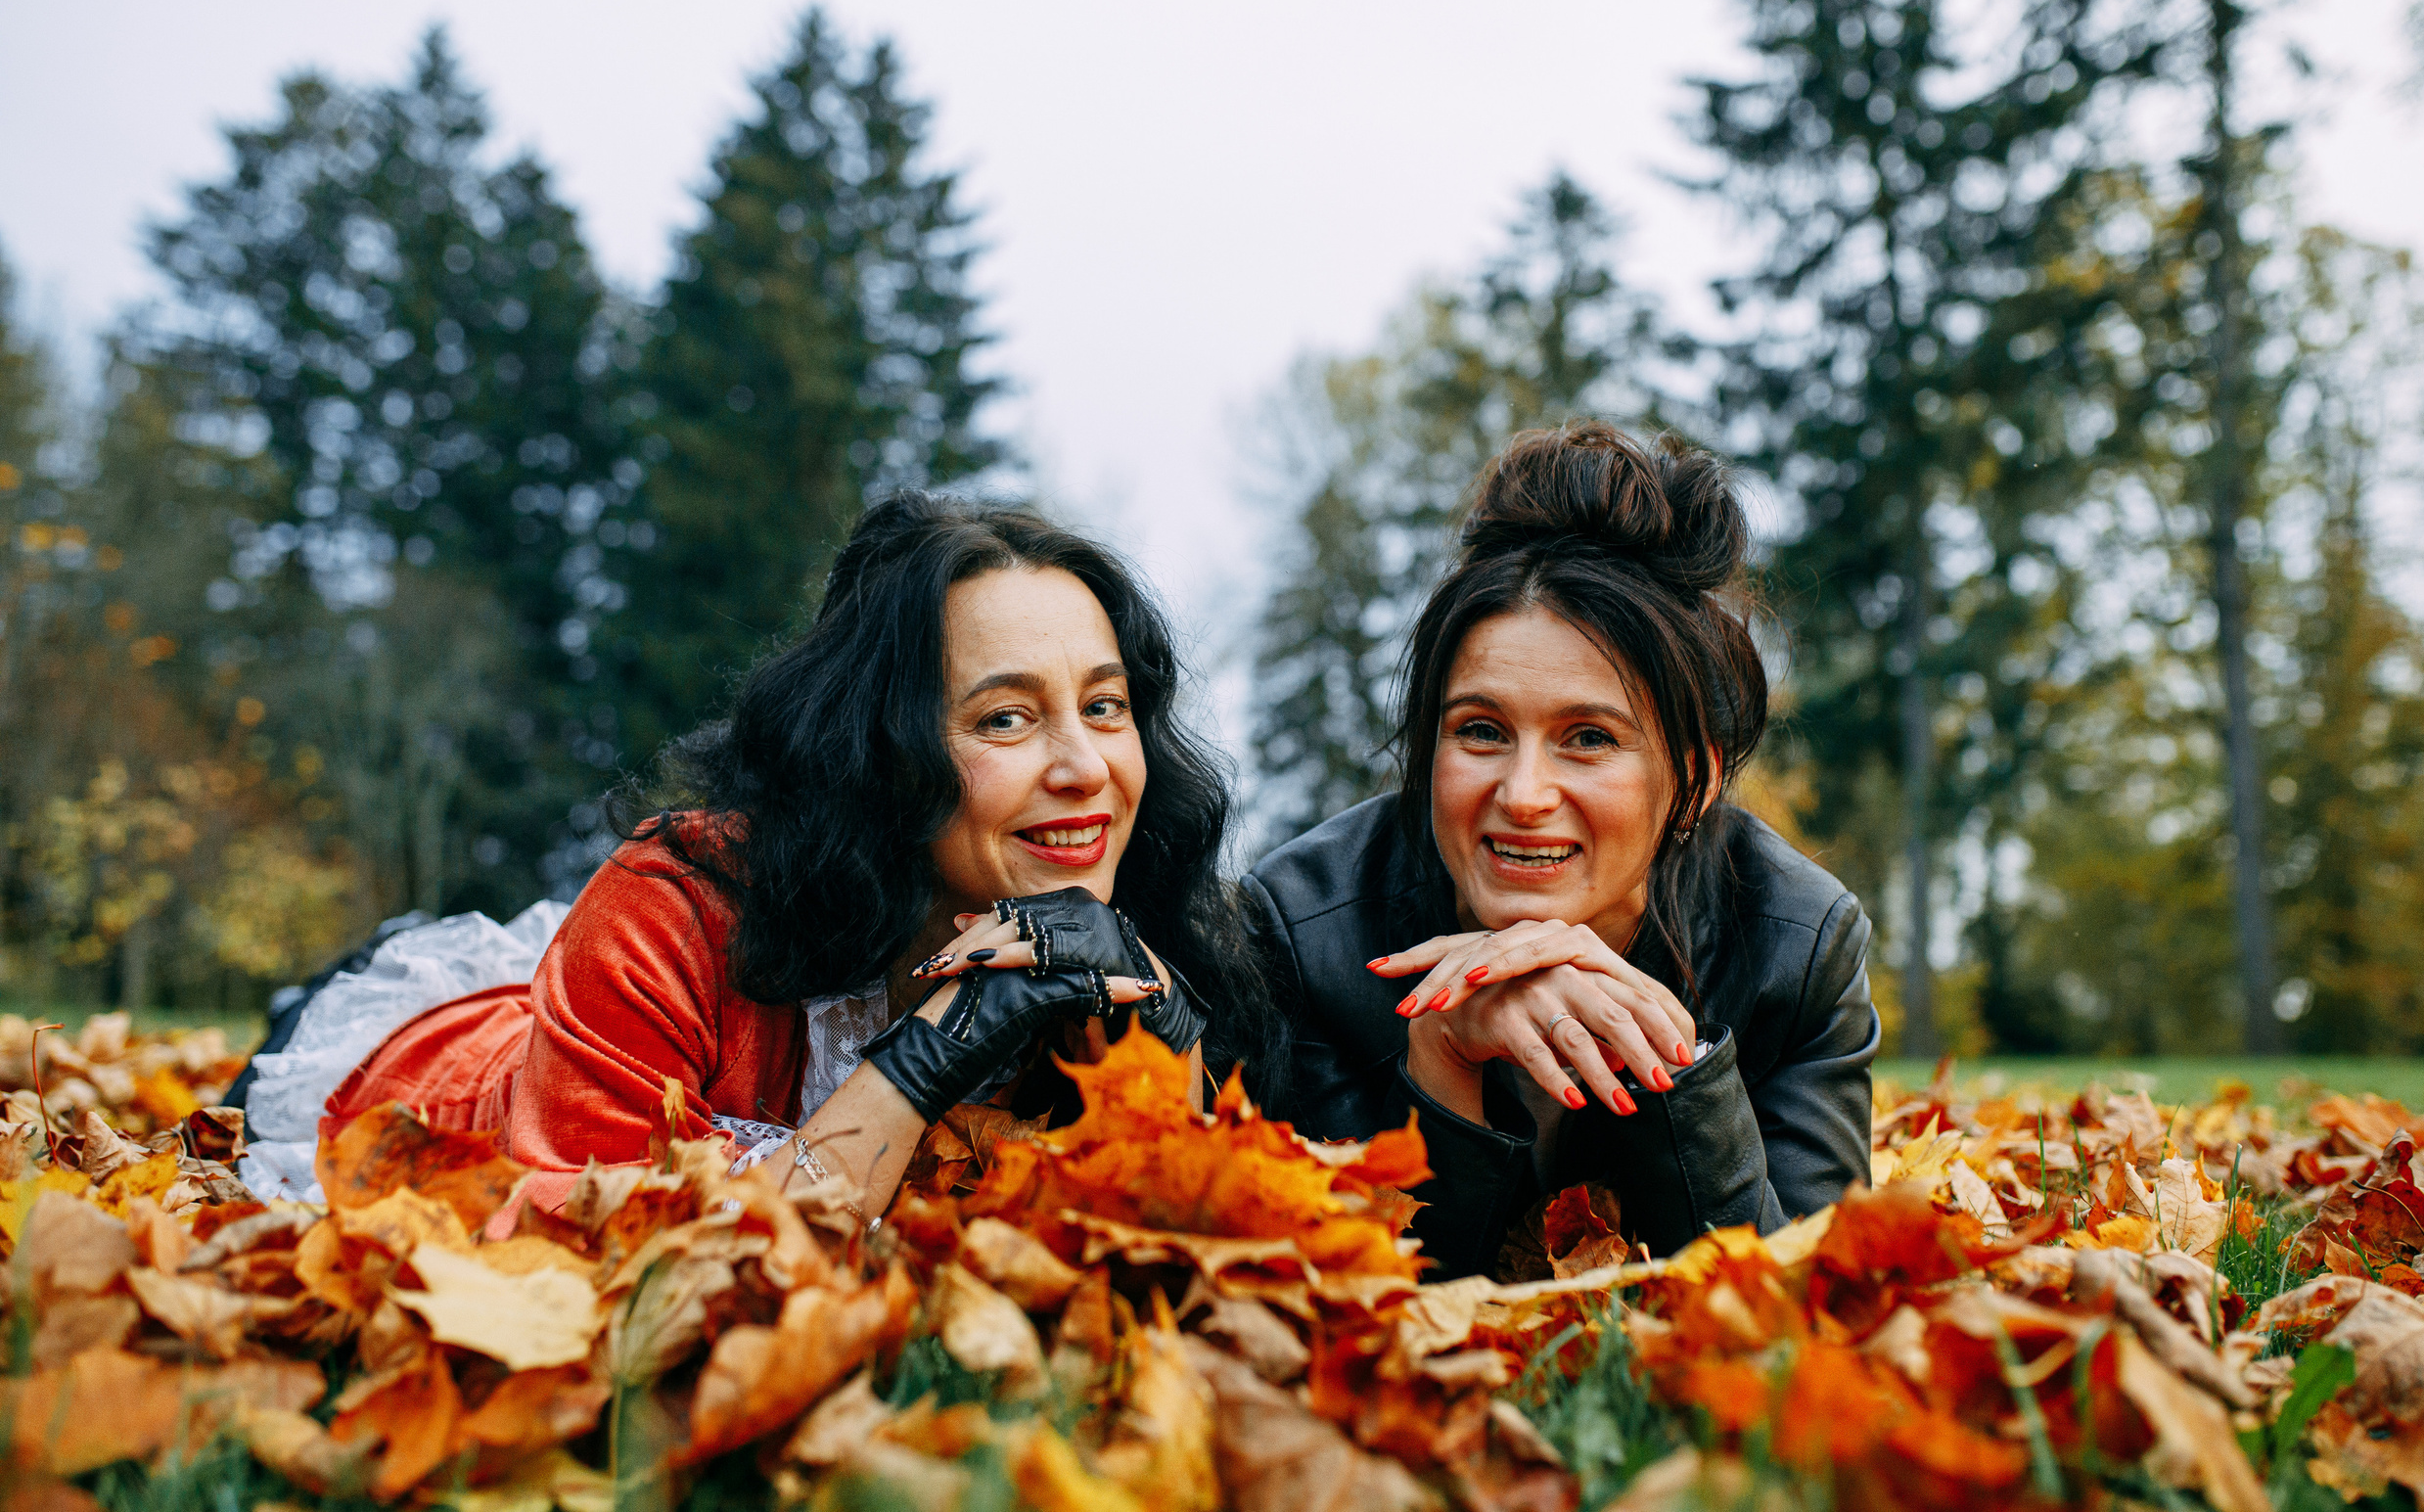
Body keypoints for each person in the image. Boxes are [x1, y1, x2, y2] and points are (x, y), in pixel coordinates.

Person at [245, 493, 1257, 1216]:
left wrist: (1174, 1054)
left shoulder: (1123, 936)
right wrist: (934, 1051)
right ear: (883, 750)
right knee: (328, 1016)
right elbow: (587, 1241)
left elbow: (1176, 1223)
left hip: (587, 1006)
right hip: (408, 1072)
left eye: (1104, 707)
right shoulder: (681, 897)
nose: (1085, 767)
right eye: (1005, 718)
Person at [1242, 421, 1878, 1277]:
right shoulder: (1304, 932)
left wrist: (1668, 1061)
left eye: (1588, 737)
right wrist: (1443, 1058)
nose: (1524, 794)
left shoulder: (1798, 946)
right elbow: (1341, 1295)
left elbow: (1804, 1298)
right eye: (1481, 730)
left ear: (1692, 781)